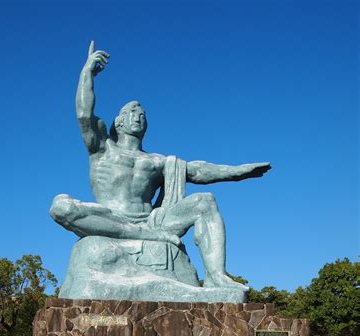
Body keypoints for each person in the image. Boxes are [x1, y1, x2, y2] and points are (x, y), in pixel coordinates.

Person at [51, 41, 270, 292]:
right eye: (132, 111)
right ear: (118, 122)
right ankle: (139, 237)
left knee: (205, 201)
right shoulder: (102, 148)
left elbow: (198, 170)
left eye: (143, 114)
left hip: (152, 222)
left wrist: (237, 172)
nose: (139, 115)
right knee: (61, 206)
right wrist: (87, 72)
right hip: (109, 219)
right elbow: (83, 114)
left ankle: (216, 276)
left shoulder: (156, 161)